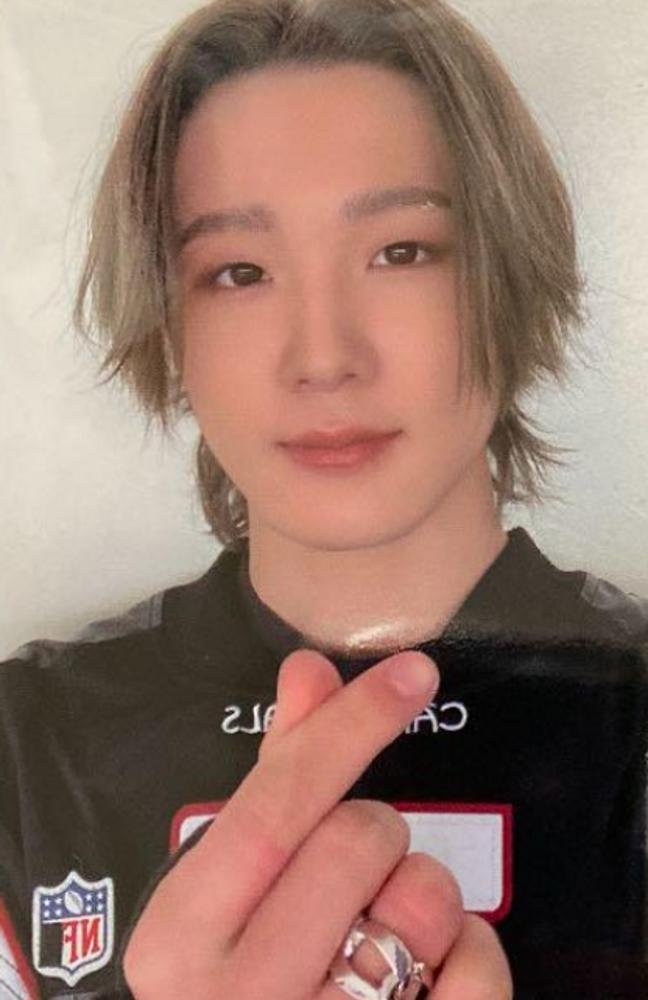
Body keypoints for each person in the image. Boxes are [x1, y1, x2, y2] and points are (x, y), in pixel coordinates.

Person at [1, 0, 647, 997]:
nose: (324, 358)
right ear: (168, 326)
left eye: (402, 251)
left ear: (510, 279)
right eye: (239, 271)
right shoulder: (27, 749)